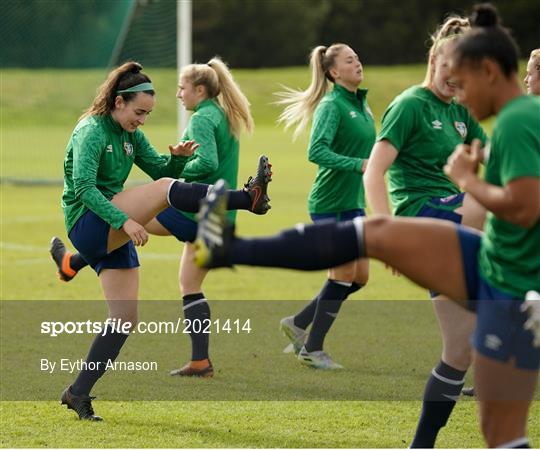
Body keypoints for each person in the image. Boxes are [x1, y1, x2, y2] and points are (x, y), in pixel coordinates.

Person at [193, 4, 540, 447]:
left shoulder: (517, 121)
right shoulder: (475, 114)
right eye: (451, 79)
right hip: (492, 259)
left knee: (500, 427)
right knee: (375, 239)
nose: (461, 94)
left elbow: (526, 207)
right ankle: (227, 250)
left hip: (512, 282)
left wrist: (471, 183)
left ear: (489, 70)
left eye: (464, 81)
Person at [55, 61, 271, 421]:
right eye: (138, 112)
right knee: (164, 191)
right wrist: (125, 220)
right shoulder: (91, 131)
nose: (142, 120)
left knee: (124, 319)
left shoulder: (131, 135)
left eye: (147, 114)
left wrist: (176, 160)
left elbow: (159, 170)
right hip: (87, 223)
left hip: (111, 223)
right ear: (117, 101)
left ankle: (77, 392)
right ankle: (245, 198)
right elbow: (84, 189)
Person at [363, 16, 487, 447]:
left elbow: (496, 154)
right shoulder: (410, 104)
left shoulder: (459, 112)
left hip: (452, 224)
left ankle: (421, 446)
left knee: (460, 350)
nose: (458, 83)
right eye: (452, 72)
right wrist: (386, 234)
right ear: (435, 60)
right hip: (423, 215)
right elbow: (374, 173)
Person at [274, 43, 374, 369]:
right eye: (349, 60)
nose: (357, 63)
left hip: (353, 201)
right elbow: (316, 151)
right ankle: (312, 349)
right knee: (343, 273)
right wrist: (358, 164)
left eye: (357, 58)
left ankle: (298, 323)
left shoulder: (360, 104)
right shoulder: (332, 105)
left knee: (359, 277)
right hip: (330, 203)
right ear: (333, 72)